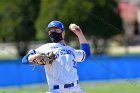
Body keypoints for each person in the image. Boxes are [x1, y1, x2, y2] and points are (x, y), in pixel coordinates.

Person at [22, 20, 91, 93]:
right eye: (50, 31)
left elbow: (86, 53)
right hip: (56, 90)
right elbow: (24, 59)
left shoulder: (71, 50)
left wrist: (79, 34)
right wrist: (34, 57)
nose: (53, 32)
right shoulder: (47, 47)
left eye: (56, 30)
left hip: (75, 89)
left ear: (63, 32)